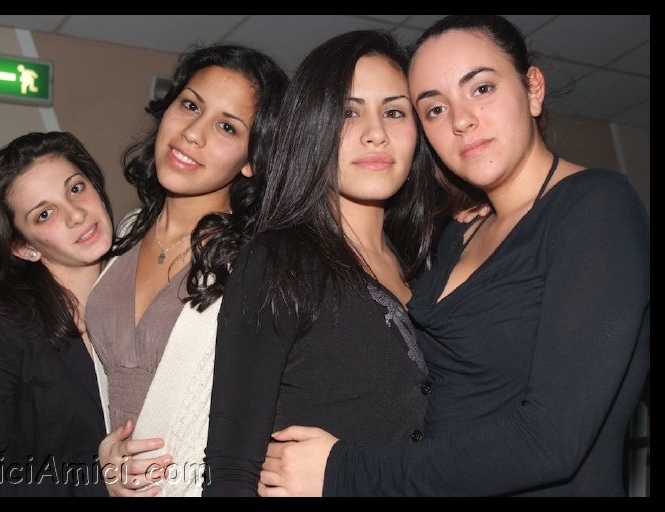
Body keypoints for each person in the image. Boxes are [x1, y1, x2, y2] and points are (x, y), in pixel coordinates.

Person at [258, 15, 650, 497]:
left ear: (533, 89)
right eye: (435, 109)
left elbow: (550, 441)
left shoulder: (597, 207)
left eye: (481, 88)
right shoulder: (457, 235)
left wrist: (343, 470)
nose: (461, 120)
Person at [202, 30, 442, 497]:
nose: (376, 132)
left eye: (394, 112)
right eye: (349, 112)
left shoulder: (430, 267)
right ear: (312, 127)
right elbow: (231, 467)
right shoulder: (278, 260)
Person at [86, 43, 289, 497]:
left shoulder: (256, 263)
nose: (193, 133)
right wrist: (108, 456)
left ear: (252, 160)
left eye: (226, 126)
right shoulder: (127, 231)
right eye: (191, 105)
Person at [0, 131, 116, 496]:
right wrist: (99, 482)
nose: (77, 214)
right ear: (23, 247)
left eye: (75, 189)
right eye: (45, 214)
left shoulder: (143, 285)